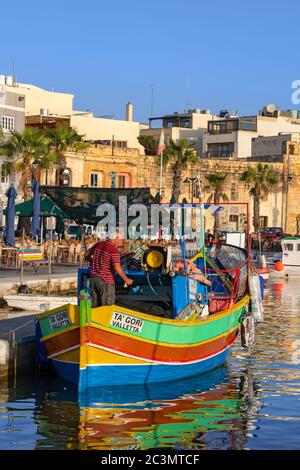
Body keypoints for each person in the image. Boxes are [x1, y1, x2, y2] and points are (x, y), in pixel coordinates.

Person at [85, 235, 134, 307]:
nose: (123, 241)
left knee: (95, 308)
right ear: (116, 237)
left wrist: (93, 262)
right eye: (122, 239)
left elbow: (86, 254)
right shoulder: (113, 249)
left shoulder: (98, 244)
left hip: (94, 280)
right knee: (107, 308)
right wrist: (127, 280)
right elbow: (117, 267)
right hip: (106, 281)